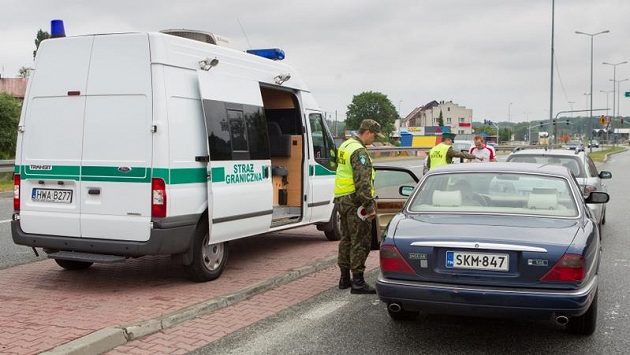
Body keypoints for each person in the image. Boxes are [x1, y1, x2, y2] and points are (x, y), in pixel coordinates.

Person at [334, 119, 381, 294]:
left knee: (346, 239)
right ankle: (358, 282)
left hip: (341, 199)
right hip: (355, 202)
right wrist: (369, 207)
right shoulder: (359, 151)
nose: (374, 140)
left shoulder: (346, 145)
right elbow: (362, 182)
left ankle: (344, 278)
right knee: (360, 241)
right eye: (374, 135)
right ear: (367, 131)